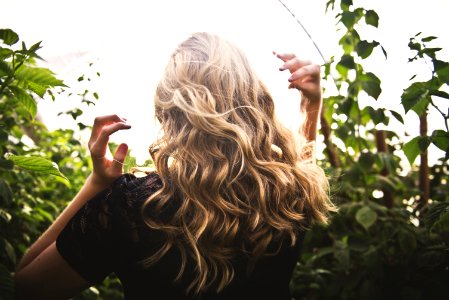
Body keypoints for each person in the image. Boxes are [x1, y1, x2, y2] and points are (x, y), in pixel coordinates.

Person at [14, 32, 335, 299]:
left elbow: (27, 286)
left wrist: (97, 184)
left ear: (169, 106)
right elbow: (303, 168)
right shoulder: (289, 192)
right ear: (253, 97)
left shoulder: (134, 207)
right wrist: (311, 104)